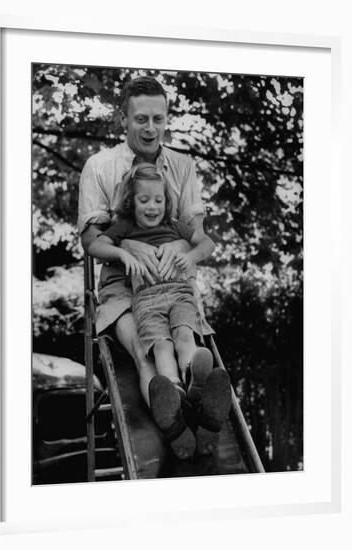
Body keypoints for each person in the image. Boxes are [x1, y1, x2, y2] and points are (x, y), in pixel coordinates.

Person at [78, 76, 229, 459]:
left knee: (183, 338)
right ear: (123, 120)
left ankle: (196, 396)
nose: (150, 128)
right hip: (122, 285)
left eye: (158, 119)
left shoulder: (181, 165)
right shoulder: (100, 166)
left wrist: (182, 251)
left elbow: (196, 235)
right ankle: (174, 419)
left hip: (170, 281)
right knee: (148, 351)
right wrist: (127, 247)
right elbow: (93, 241)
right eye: (141, 119)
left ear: (166, 119)